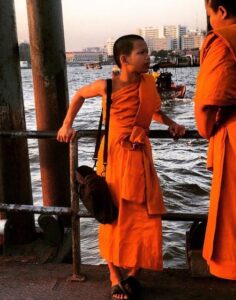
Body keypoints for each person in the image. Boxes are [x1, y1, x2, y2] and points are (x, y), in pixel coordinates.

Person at [57, 34, 185, 299]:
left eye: (147, 52)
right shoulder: (107, 86)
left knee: (145, 217)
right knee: (112, 217)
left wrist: (171, 123)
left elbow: (151, 111)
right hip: (113, 158)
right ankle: (115, 276)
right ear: (125, 59)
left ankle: (135, 274)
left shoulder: (147, 83)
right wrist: (66, 124)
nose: (148, 57)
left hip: (140, 158)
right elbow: (80, 95)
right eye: (142, 52)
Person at [194, 0, 236, 280]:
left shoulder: (223, 40)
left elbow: (208, 101)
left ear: (220, 11)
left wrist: (206, 128)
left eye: (209, 15)